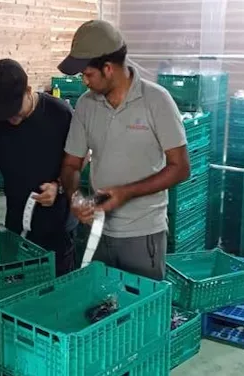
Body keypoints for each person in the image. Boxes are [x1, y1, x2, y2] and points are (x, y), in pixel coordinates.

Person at [58, 20, 190, 280]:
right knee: (100, 307)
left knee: (141, 311)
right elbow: (71, 164)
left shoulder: (157, 101)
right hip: (99, 231)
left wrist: (127, 193)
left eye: (87, 74)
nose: (83, 81)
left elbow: (180, 167)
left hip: (143, 234)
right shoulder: (85, 105)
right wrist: (74, 197)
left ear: (108, 69)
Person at [0, 59, 78, 277]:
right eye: (6, 115)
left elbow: (78, 162)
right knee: (15, 284)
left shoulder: (60, 114)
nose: (12, 120)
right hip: (16, 225)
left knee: (58, 289)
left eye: (16, 112)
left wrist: (59, 187)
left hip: (59, 224)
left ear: (28, 91)